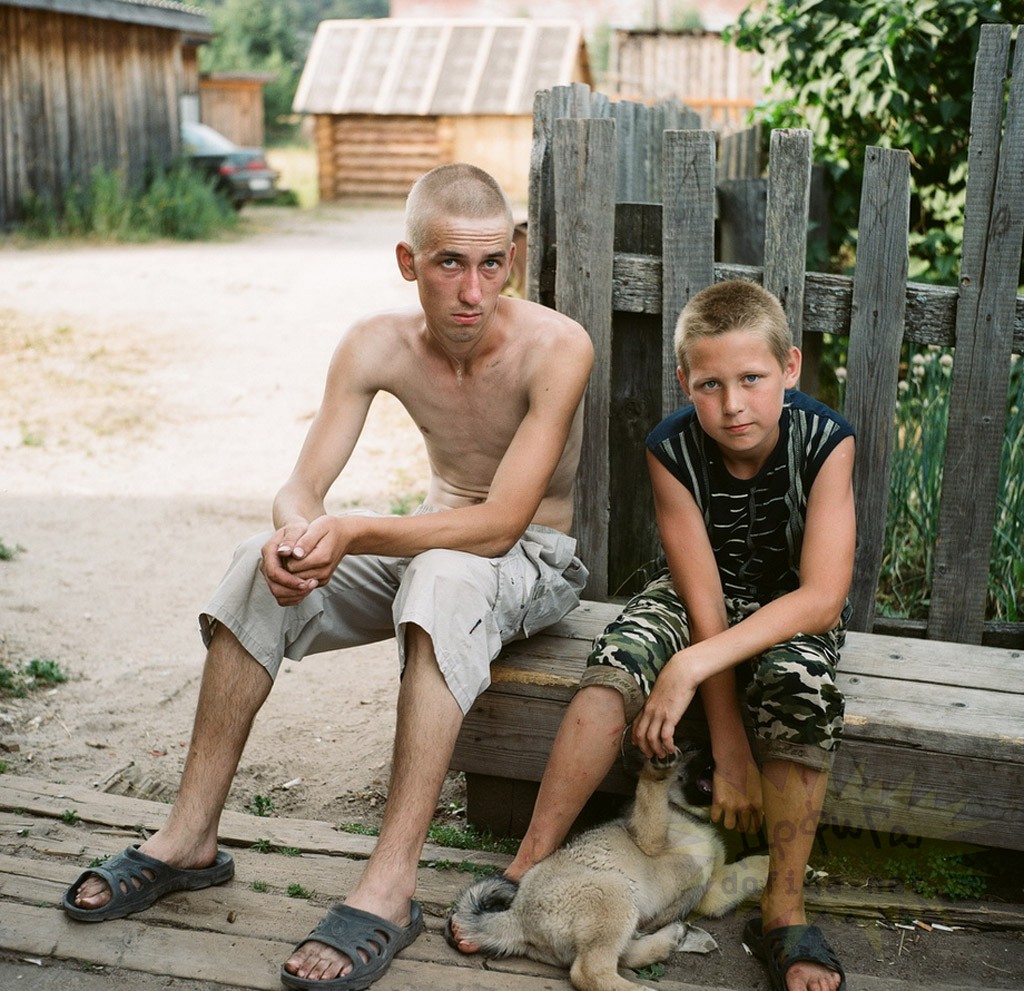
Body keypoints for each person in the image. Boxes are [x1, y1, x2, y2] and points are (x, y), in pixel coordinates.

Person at [62, 163, 594, 991]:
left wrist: (351, 530)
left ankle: (388, 886)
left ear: (513, 262)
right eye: (450, 261)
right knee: (251, 563)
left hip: (528, 560)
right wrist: (298, 534)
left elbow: (500, 523)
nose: (473, 288)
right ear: (407, 261)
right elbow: (300, 487)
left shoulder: (557, 347)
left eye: (493, 263)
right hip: (428, 546)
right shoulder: (374, 343)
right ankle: (188, 836)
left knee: (443, 577)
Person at [452, 279, 853, 991]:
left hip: (788, 608)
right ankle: (527, 866)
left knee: (800, 681)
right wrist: (724, 739)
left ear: (790, 368)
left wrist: (694, 666)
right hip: (698, 606)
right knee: (619, 658)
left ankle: (783, 909)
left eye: (753, 379)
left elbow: (821, 597)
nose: (733, 404)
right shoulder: (672, 449)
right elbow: (702, 602)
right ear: (684, 382)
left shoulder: (826, 442)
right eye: (710, 384)